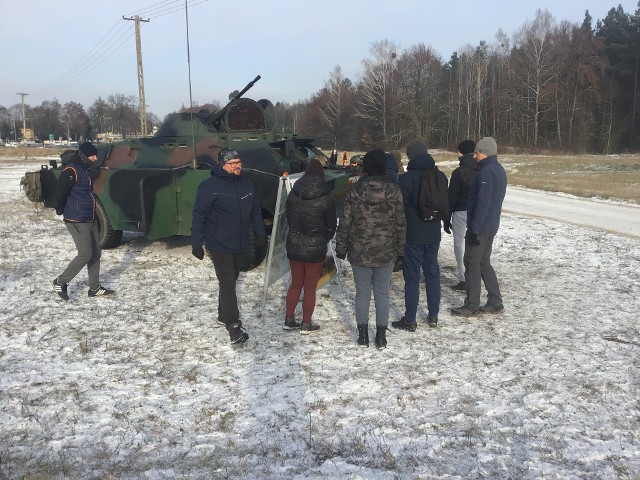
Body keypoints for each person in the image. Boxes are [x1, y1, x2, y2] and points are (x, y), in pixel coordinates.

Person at [191, 148, 266, 344]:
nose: (238, 166)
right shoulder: (209, 187)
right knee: (228, 283)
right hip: (219, 244)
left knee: (231, 280)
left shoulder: (246, 184)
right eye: (233, 163)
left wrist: (260, 233)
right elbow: (199, 215)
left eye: (239, 162)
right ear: (223, 164)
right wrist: (196, 242)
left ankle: (222, 314)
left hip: (240, 243)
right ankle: (234, 327)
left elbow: (255, 211)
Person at [335, 149, 406, 349]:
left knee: (362, 293)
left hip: (359, 250)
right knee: (382, 294)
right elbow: (401, 223)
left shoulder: (355, 190)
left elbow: (345, 221)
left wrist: (341, 247)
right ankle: (381, 336)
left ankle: (363, 335)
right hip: (386, 251)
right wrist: (401, 251)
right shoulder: (394, 190)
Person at [451, 137, 507, 317]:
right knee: (484, 262)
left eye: (477, 153)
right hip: (491, 225)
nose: (474, 156)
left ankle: (472, 305)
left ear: (485, 153)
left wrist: (474, 229)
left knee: (472, 262)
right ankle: (495, 301)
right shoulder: (499, 170)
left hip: (481, 227)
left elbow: (483, 202)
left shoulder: (485, 173)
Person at [53, 142, 114, 301]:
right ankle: (60, 282)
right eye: (92, 155)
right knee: (85, 254)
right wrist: (61, 211)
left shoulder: (85, 170)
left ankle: (94, 288)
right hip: (76, 219)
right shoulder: (71, 171)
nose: (95, 158)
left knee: (96, 253)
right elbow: (60, 193)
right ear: (83, 156)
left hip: (89, 218)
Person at [392, 138, 442, 331]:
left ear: (411, 156)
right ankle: (433, 315)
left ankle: (410, 319)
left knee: (411, 277)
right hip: (433, 233)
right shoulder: (440, 176)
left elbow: (400, 209)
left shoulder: (405, 179)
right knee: (432, 274)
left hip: (412, 235)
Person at [284, 158, 337, 334]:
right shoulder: (326, 197)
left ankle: (289, 319)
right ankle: (306, 323)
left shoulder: (293, 194)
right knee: (310, 287)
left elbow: (289, 219)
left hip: (294, 245)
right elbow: (331, 226)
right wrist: (322, 239)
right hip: (315, 247)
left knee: (295, 284)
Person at [447, 140, 480, 291]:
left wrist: (447, 216)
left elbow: (451, 197)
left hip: (460, 211)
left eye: (457, 151)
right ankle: (475, 276)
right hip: (477, 212)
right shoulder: (481, 169)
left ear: (461, 152)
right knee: (475, 245)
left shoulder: (459, 172)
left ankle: (464, 278)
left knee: (459, 245)